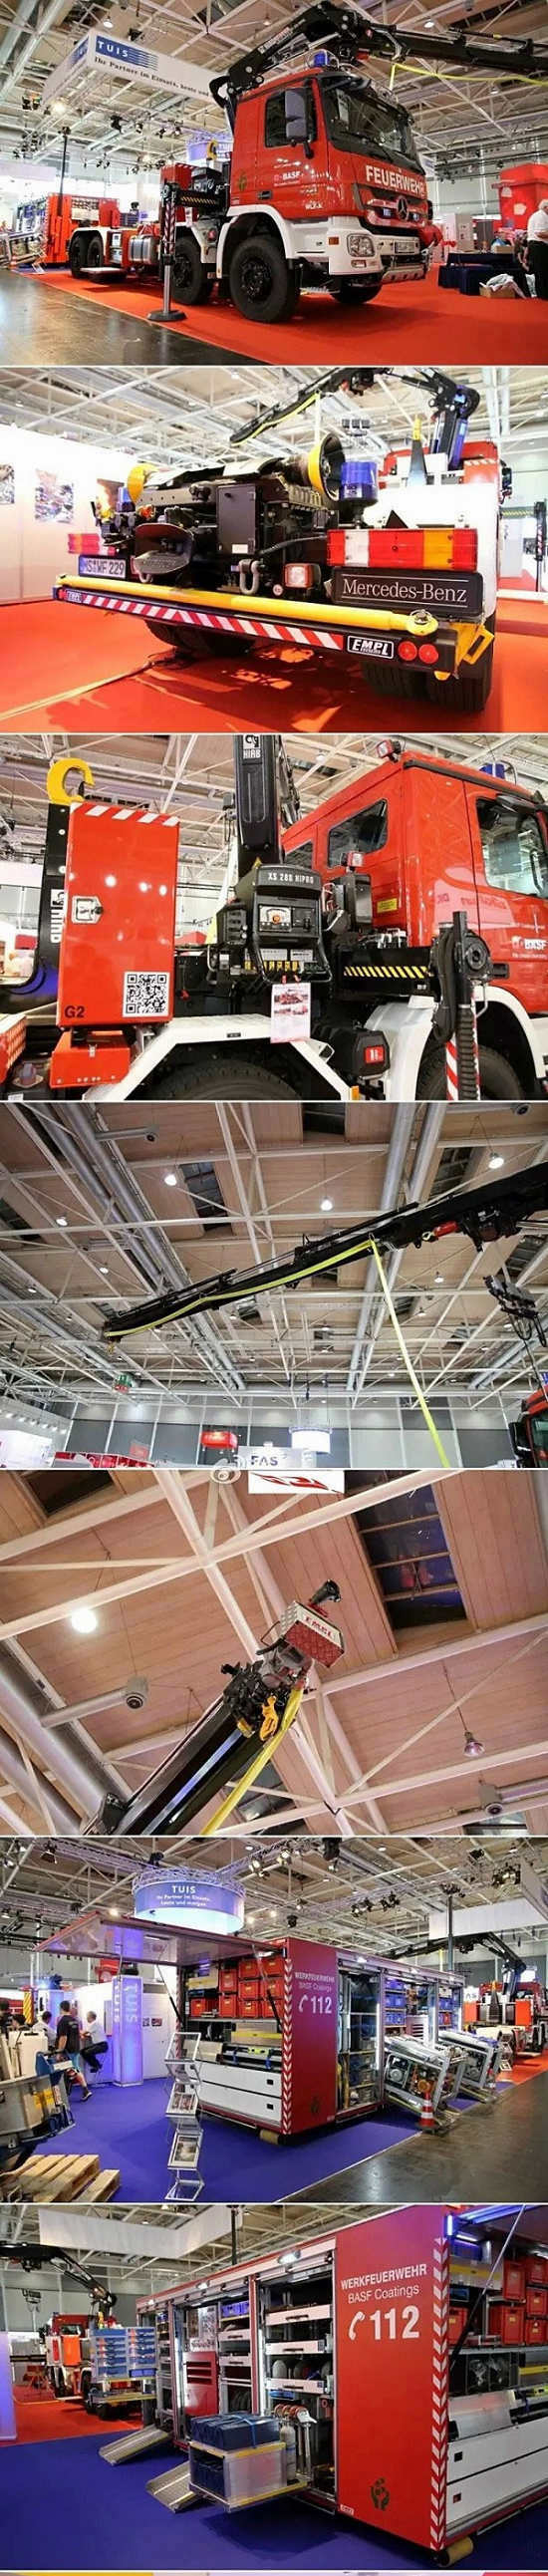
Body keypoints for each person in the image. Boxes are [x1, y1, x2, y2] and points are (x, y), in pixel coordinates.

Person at [54, 1997, 92, 2098]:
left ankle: (85, 2090)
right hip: (75, 2048)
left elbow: (63, 2037)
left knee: (73, 2070)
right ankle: (78, 2090)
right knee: (72, 2069)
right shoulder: (74, 2020)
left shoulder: (63, 2021)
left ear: (61, 2008)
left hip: (67, 2050)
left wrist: (59, 2052)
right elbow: (78, 2034)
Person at [526, 198, 548, 298]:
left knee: (541, 270)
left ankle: (542, 293)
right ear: (545, 207)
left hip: (537, 246)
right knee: (543, 270)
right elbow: (540, 233)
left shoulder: (539, 215)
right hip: (538, 246)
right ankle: (544, 294)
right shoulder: (541, 216)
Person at [81, 2010, 108, 2075]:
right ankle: (97, 2065)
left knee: (86, 2052)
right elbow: (88, 2034)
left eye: (87, 2017)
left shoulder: (94, 2023)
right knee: (82, 2051)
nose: (86, 2018)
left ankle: (96, 2065)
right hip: (99, 2045)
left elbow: (85, 2032)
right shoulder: (96, 2024)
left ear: (90, 2017)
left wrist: (78, 2031)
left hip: (102, 2045)